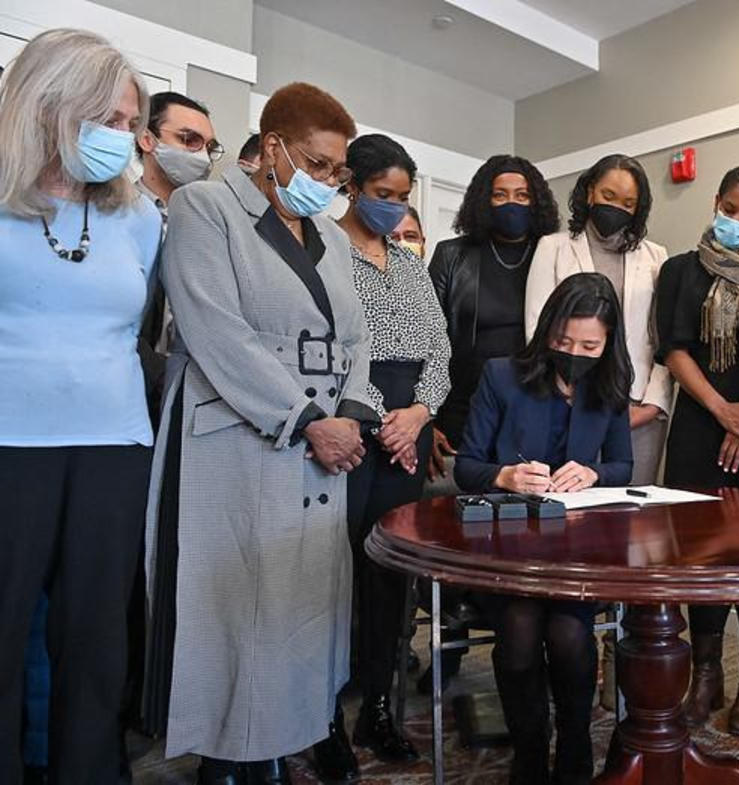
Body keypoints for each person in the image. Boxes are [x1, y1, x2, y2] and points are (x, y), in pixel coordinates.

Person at [142, 82, 377, 785]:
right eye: (317, 163)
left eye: (337, 171)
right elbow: (216, 330)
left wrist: (354, 415)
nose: (328, 183)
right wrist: (308, 420)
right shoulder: (205, 207)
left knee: (296, 609)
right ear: (271, 148)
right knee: (235, 607)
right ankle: (225, 754)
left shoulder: (332, 238)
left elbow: (356, 337)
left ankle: (274, 742)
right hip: (239, 438)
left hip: (320, 449)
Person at [0, 29, 161, 785]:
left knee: (96, 641)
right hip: (9, 446)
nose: (125, 138)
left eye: (132, 123)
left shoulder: (139, 217)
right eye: (113, 119)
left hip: (115, 446)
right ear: (51, 105)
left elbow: (139, 326)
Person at [455, 272, 634, 785]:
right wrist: (505, 475)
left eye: (589, 345)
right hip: (505, 545)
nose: (575, 353)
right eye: (563, 340)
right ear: (547, 330)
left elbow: (624, 466)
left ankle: (575, 742)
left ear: (607, 343)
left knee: (568, 630)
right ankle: (530, 750)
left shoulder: (611, 385)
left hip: (576, 550)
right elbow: (466, 466)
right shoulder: (501, 375)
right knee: (519, 627)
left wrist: (594, 472)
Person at [655, 163, 739, 736]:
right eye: (729, 209)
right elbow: (674, 348)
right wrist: (722, 411)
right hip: (699, 425)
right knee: (701, 553)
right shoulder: (681, 271)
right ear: (715, 201)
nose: (736, 221)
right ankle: (706, 675)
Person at [331, 133, 450, 765]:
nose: (396, 209)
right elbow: (325, 349)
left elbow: (440, 349)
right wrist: (382, 421)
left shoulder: (408, 264)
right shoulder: (321, 250)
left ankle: (377, 707)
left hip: (410, 425)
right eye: (384, 196)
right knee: (333, 577)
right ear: (352, 186)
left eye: (403, 198)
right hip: (349, 430)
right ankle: (321, 719)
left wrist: (420, 413)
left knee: (388, 575)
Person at [425, 154, 560, 691]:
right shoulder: (453, 255)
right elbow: (429, 342)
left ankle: (528, 641)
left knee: (527, 533)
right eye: (500, 194)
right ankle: (452, 633)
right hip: (461, 411)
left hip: (533, 413)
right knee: (461, 530)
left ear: (538, 202)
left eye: (522, 195)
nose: (511, 205)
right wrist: (428, 415)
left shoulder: (550, 255)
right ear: (483, 198)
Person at [524, 154, 672, 486]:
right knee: (569, 506)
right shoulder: (554, 247)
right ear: (590, 192)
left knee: (634, 520)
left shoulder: (656, 257)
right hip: (569, 400)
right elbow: (537, 326)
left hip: (637, 407)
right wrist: (564, 393)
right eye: (609, 196)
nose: (617, 207)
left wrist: (652, 404)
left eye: (628, 202)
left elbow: (663, 338)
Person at [134, 91, 222, 411]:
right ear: (147, 140)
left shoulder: (211, 226)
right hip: (129, 385)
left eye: (209, 147)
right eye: (189, 140)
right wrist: (159, 376)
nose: (202, 156)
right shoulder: (115, 214)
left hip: (192, 391)